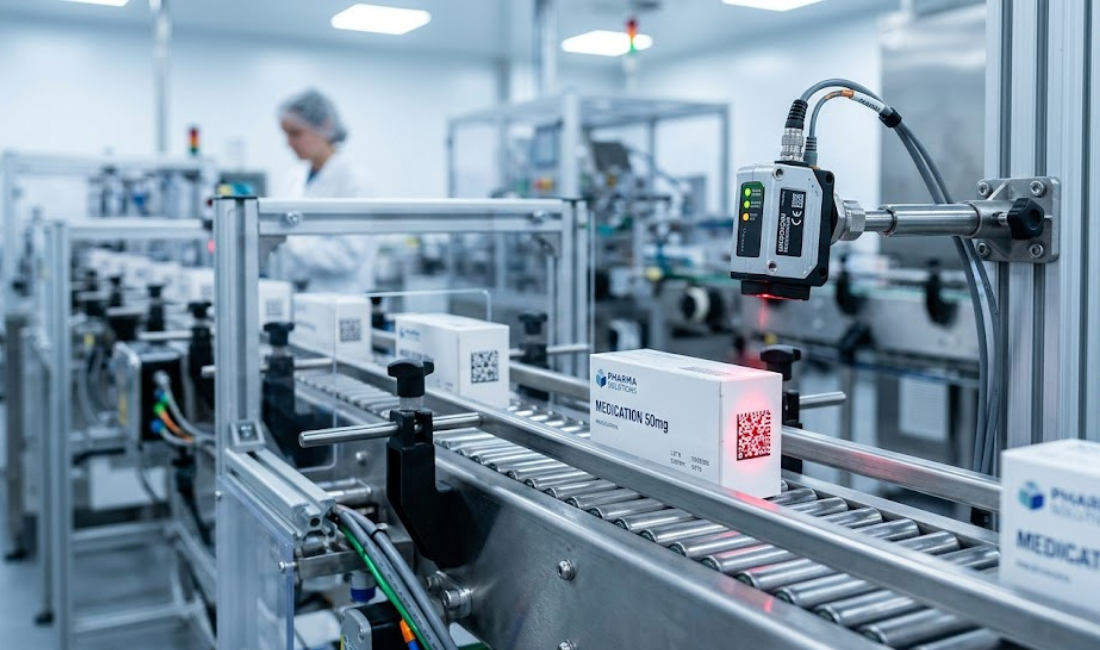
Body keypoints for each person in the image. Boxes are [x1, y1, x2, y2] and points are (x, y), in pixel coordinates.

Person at [276, 89, 376, 294]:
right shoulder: (293, 177)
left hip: (341, 298)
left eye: (295, 133)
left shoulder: (354, 181)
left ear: (325, 127)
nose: (288, 143)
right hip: (297, 296)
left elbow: (346, 255)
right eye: (285, 134)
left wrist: (290, 242)